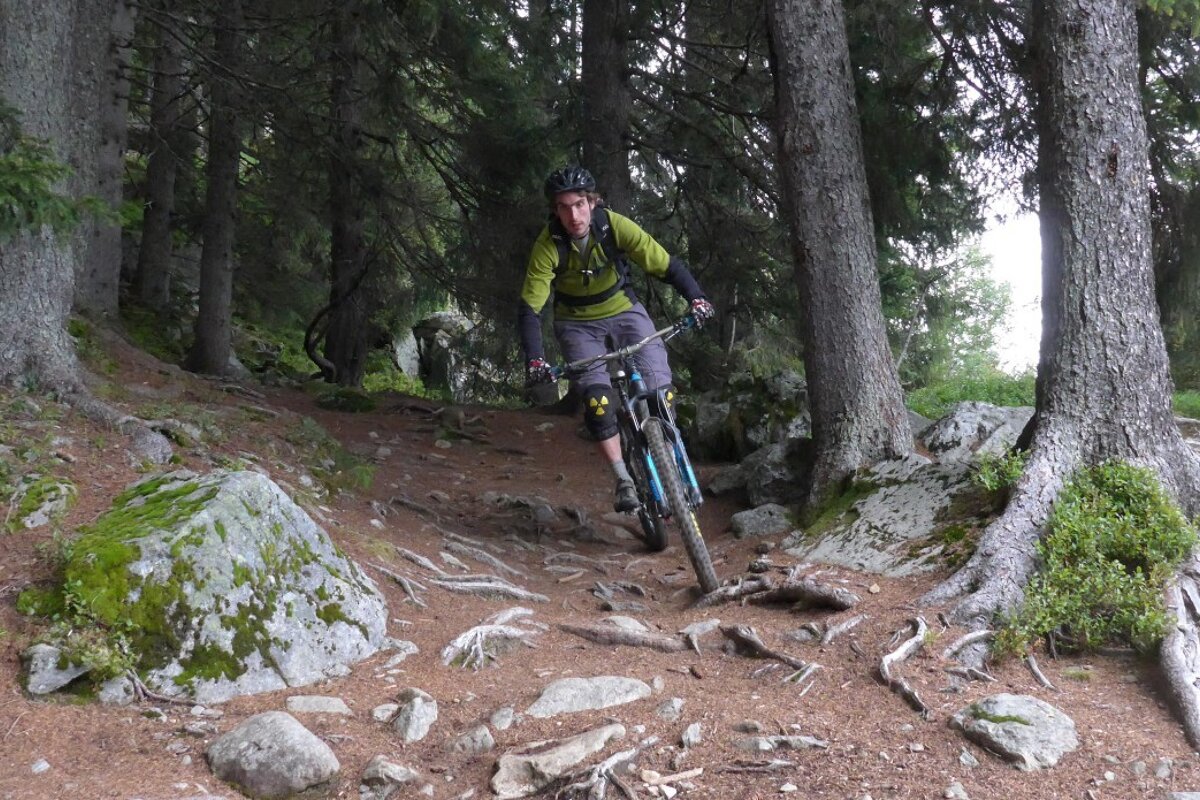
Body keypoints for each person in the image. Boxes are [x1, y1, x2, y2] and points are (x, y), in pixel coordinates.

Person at [517, 165, 715, 513]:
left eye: (579, 204)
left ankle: (668, 459)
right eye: (563, 207)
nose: (573, 215)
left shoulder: (613, 226)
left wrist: (696, 298)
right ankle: (623, 478)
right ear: (555, 210)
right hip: (577, 324)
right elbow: (531, 308)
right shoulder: (548, 245)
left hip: (625, 311)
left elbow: (664, 263)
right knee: (598, 401)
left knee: (659, 390)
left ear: (592, 202)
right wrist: (535, 359)